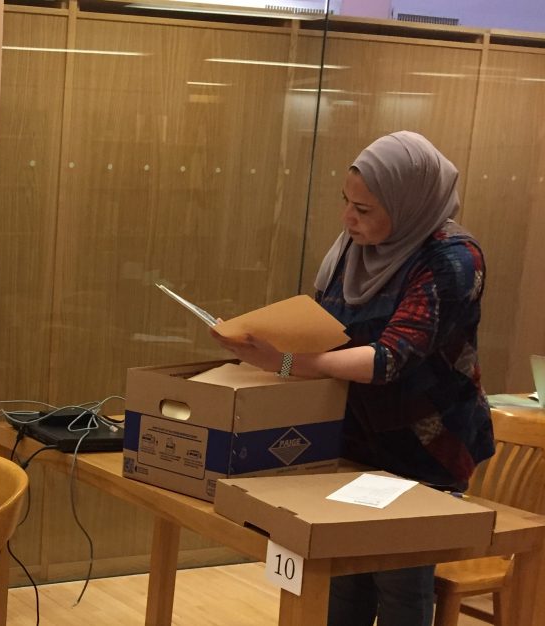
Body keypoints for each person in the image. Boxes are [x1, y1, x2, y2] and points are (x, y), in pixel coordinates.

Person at [211, 131, 494, 626]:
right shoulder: (353, 248)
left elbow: (390, 359)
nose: (348, 219)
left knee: (400, 583)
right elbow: (326, 325)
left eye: (363, 210)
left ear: (408, 205)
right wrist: (268, 337)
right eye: (347, 203)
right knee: (340, 577)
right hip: (354, 438)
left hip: (423, 448)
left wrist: (283, 363)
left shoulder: (452, 259)